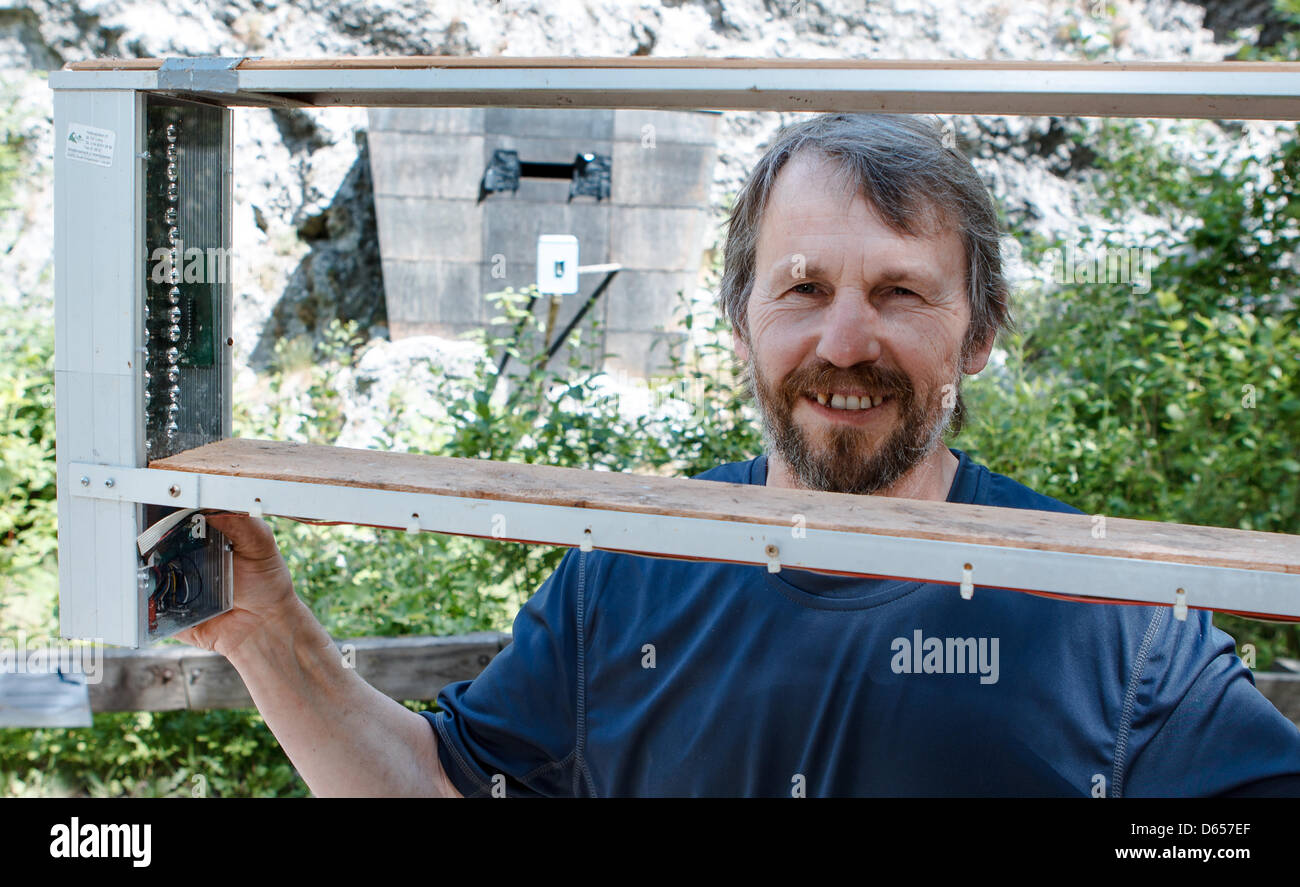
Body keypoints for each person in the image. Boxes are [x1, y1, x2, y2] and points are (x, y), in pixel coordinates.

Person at [182, 113, 1300, 797]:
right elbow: (435, 789)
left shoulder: (1106, 606)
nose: (844, 340)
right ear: (741, 323)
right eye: (803, 289)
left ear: (980, 330)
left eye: (899, 292)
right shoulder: (625, 568)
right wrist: (262, 627)